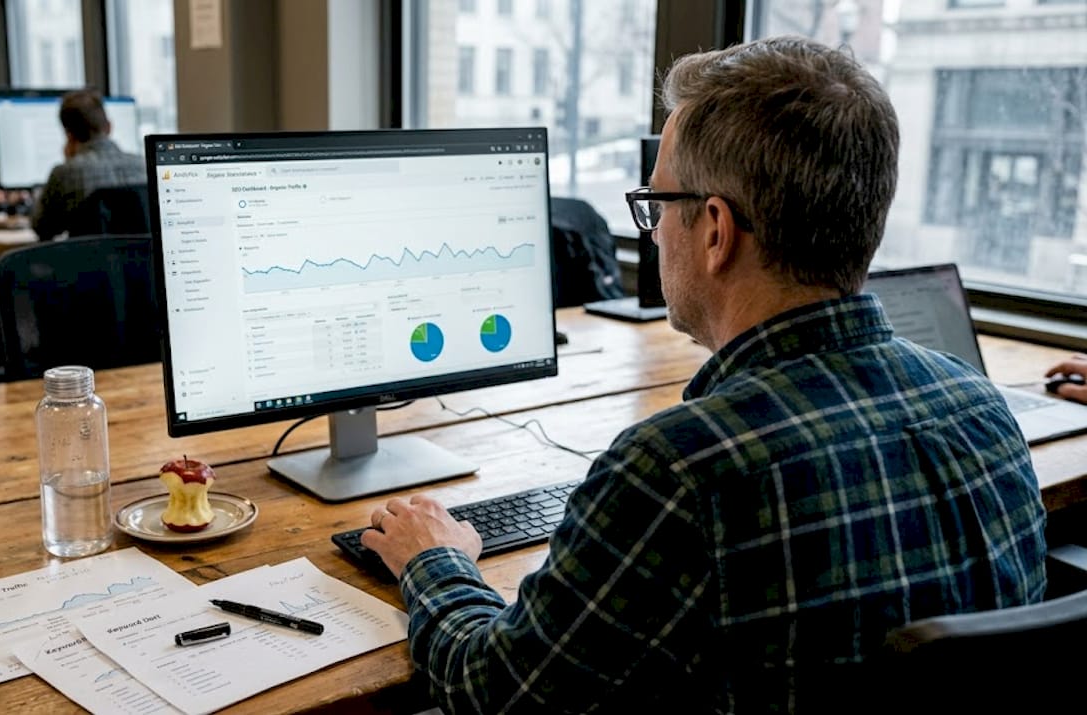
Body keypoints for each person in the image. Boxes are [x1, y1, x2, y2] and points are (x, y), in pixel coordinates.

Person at [360, 36, 1047, 714]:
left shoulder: (677, 471)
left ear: (715, 230)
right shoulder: (981, 408)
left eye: (657, 207)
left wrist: (435, 559)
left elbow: (496, 694)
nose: (654, 232)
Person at [30, 89, 146, 240]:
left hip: (88, 261)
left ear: (69, 135)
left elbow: (42, 228)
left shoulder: (65, 172)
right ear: (109, 127)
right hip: (140, 260)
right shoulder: (142, 164)